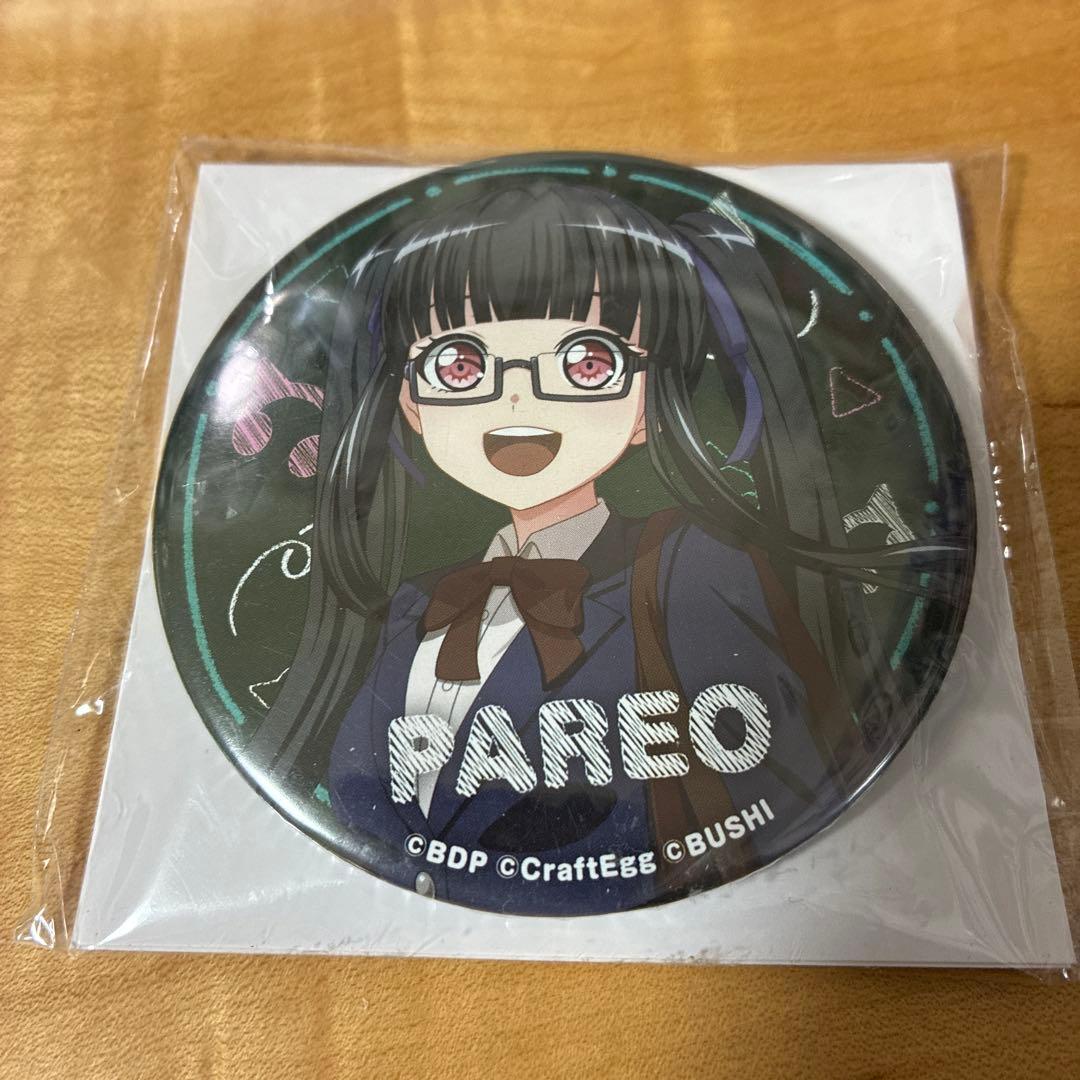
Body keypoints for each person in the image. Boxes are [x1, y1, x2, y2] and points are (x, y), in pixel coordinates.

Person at [247, 180, 952, 914]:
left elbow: (792, 782)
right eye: (461, 366)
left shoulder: (699, 571)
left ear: (647, 403)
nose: (516, 400)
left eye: (586, 363)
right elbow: (365, 808)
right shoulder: (413, 609)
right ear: (412, 403)